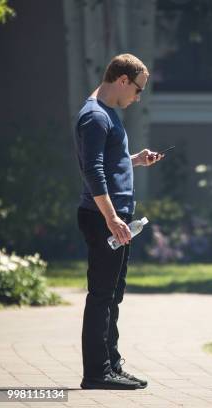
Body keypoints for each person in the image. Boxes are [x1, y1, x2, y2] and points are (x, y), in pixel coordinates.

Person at [73, 54, 164, 390]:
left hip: (115, 218)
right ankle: (96, 373)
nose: (138, 97)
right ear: (123, 80)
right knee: (101, 295)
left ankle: (111, 364)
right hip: (103, 219)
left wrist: (135, 160)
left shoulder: (106, 114)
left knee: (113, 295)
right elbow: (92, 171)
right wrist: (111, 218)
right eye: (138, 89)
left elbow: (108, 163)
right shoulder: (95, 116)